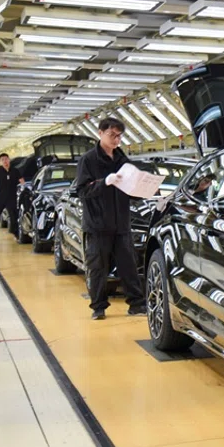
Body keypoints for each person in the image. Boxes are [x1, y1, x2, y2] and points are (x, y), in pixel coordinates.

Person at [74, 117, 146, 320]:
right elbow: (82, 191)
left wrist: (143, 189)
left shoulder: (123, 160)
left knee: (129, 266)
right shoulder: (88, 160)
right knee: (98, 268)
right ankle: (98, 307)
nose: (116, 140)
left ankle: (137, 304)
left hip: (121, 223)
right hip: (98, 225)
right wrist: (104, 182)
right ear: (100, 133)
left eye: (119, 136)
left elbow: (130, 191)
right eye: (112, 135)